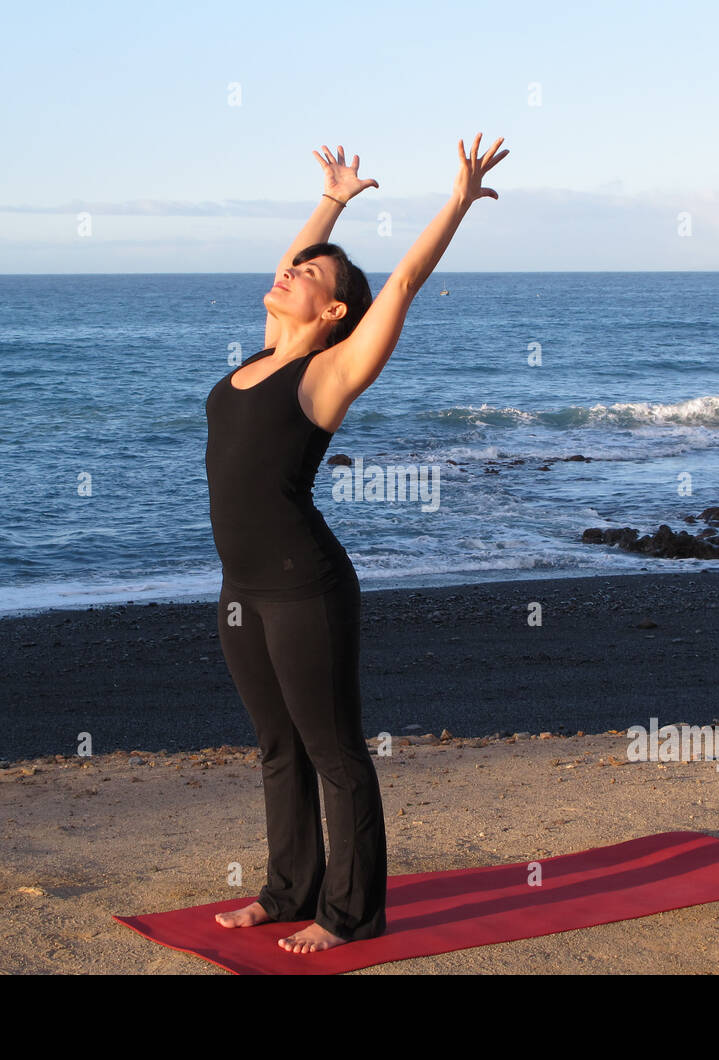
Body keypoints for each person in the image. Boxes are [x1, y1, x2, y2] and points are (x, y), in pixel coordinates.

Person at [205, 135, 508, 954]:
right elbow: (294, 261)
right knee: (276, 748)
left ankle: (348, 913)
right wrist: (334, 201)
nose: (290, 274)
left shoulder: (327, 376)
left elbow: (402, 281)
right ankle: (285, 889)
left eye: (309, 277)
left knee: (333, 750)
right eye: (292, 269)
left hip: (308, 588)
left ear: (335, 312)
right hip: (241, 589)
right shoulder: (262, 357)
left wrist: (457, 200)